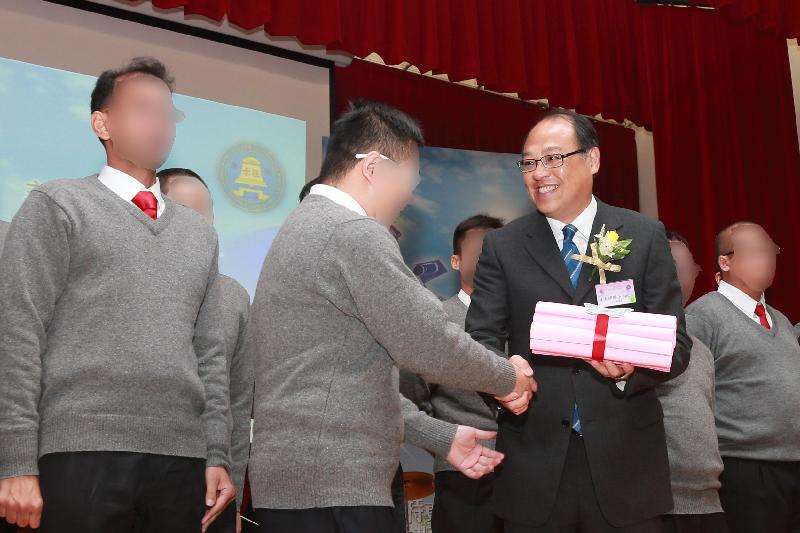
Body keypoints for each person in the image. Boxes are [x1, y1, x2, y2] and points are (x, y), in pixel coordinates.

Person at [245, 100, 536, 533]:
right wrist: (509, 378)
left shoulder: (303, 226)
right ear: (374, 167)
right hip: (335, 487)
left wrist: (443, 437)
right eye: (411, 178)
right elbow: (429, 341)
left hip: (304, 484)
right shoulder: (352, 233)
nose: (409, 195)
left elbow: (353, 383)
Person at [0, 57, 234, 533]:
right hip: (78, 451)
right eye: (144, 108)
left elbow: (210, 354)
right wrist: (15, 461)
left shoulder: (199, 233)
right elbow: (17, 331)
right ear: (102, 123)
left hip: (182, 458)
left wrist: (216, 453)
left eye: (168, 112)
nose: (160, 123)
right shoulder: (58, 204)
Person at [466, 108, 691, 533]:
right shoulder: (503, 246)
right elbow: (481, 340)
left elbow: (676, 347)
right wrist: (501, 377)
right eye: (529, 162)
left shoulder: (643, 236)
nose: (538, 173)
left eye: (552, 158)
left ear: (592, 160)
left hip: (627, 466)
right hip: (534, 464)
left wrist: (630, 369)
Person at [687, 221, 800, 533]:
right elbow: (689, 395)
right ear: (725, 261)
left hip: (791, 464)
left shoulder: (779, 318)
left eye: (771, 250)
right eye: (756, 251)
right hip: (743, 467)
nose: (767, 258)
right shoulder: (703, 315)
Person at [159, 168, 253, 533]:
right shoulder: (136, 287)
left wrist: (236, 501)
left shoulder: (234, 297)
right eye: (188, 209)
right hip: (143, 474)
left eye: (207, 211)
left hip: (212, 486)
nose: (202, 222)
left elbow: (239, 402)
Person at [400, 214, 505, 533]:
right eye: (478, 249)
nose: (487, 257)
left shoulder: (526, 319)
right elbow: (410, 391)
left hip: (528, 472)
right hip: (464, 473)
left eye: (496, 251)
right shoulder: (436, 320)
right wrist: (446, 437)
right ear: (456, 261)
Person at [657, 231, 727, 533]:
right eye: (673, 266)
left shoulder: (700, 348)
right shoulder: (633, 339)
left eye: (688, 267)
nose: (682, 275)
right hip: (658, 503)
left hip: (709, 501)